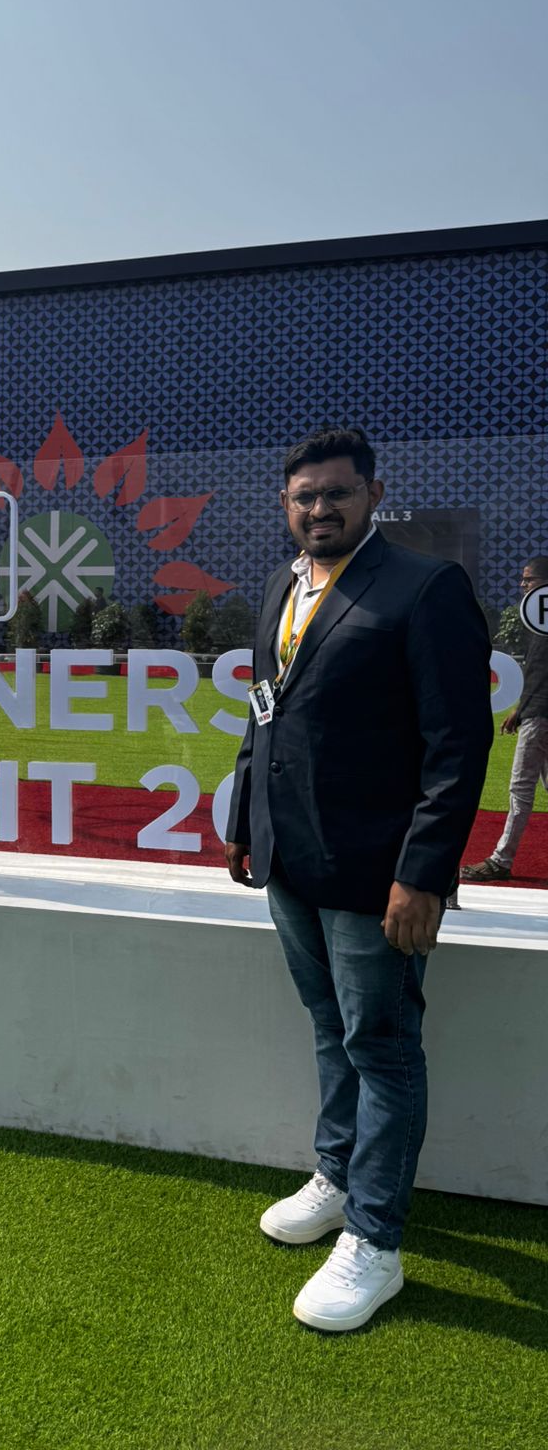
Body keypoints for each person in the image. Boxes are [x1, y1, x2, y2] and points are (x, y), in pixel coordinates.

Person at [225, 428, 492, 1333]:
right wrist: (243, 820)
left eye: (336, 493)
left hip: (377, 873)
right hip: (290, 860)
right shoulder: (282, 584)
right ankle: (338, 1175)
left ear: (373, 495)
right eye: (304, 497)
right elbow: (264, 714)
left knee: (381, 1046)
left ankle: (376, 1240)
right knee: (328, 1029)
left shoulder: (425, 586)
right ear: (285, 505)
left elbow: (459, 746)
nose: (320, 509)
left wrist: (423, 875)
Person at [459, 556, 548, 884]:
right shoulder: (537, 620)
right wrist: (520, 710)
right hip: (536, 712)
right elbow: (538, 672)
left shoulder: (539, 619)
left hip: (539, 717)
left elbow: (541, 676)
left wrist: (525, 712)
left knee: (520, 788)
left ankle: (501, 859)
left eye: (529, 579)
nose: (523, 585)